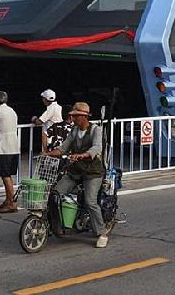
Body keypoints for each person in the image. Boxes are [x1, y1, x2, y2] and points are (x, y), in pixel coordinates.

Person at [45, 102, 110, 248]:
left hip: (92, 172)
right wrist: (50, 153)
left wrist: (84, 155)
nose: (72, 118)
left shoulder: (95, 130)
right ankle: (56, 225)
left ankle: (101, 232)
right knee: (55, 194)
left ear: (83, 117)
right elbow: (63, 148)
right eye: (72, 116)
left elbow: (97, 147)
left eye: (75, 116)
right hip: (75, 171)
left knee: (90, 201)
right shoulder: (74, 130)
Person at [0, 91, 19, 213]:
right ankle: (8, 199)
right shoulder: (12, 111)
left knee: (5, 176)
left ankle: (12, 202)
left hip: (3, 147)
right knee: (8, 175)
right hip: (14, 146)